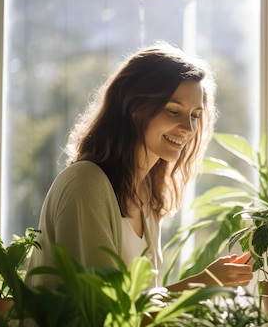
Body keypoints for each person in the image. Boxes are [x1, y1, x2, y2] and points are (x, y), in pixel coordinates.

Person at [25, 41, 253, 295]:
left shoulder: (147, 196)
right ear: (135, 108)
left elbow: (139, 313)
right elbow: (107, 316)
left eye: (195, 115)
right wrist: (203, 282)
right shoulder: (86, 183)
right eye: (173, 111)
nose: (188, 129)